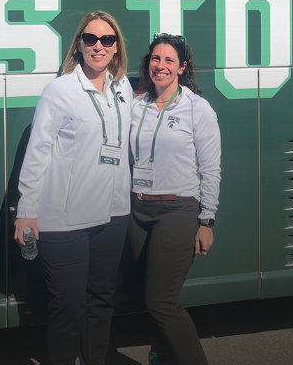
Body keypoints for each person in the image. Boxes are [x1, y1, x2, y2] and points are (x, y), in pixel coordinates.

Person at [13, 11, 133, 365]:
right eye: (91, 39)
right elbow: (38, 152)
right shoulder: (60, 90)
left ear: (116, 48)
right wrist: (25, 210)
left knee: (101, 299)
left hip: (113, 215)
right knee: (67, 306)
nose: (98, 46)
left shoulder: (122, 87)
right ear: (79, 45)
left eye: (107, 40)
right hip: (65, 220)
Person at [129, 34, 221, 365]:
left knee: (162, 301)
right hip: (138, 212)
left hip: (178, 212)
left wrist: (206, 220)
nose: (161, 65)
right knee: (150, 297)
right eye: (156, 59)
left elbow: (211, 169)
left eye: (169, 60)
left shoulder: (198, 109)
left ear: (182, 67)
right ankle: (162, 357)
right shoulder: (135, 105)